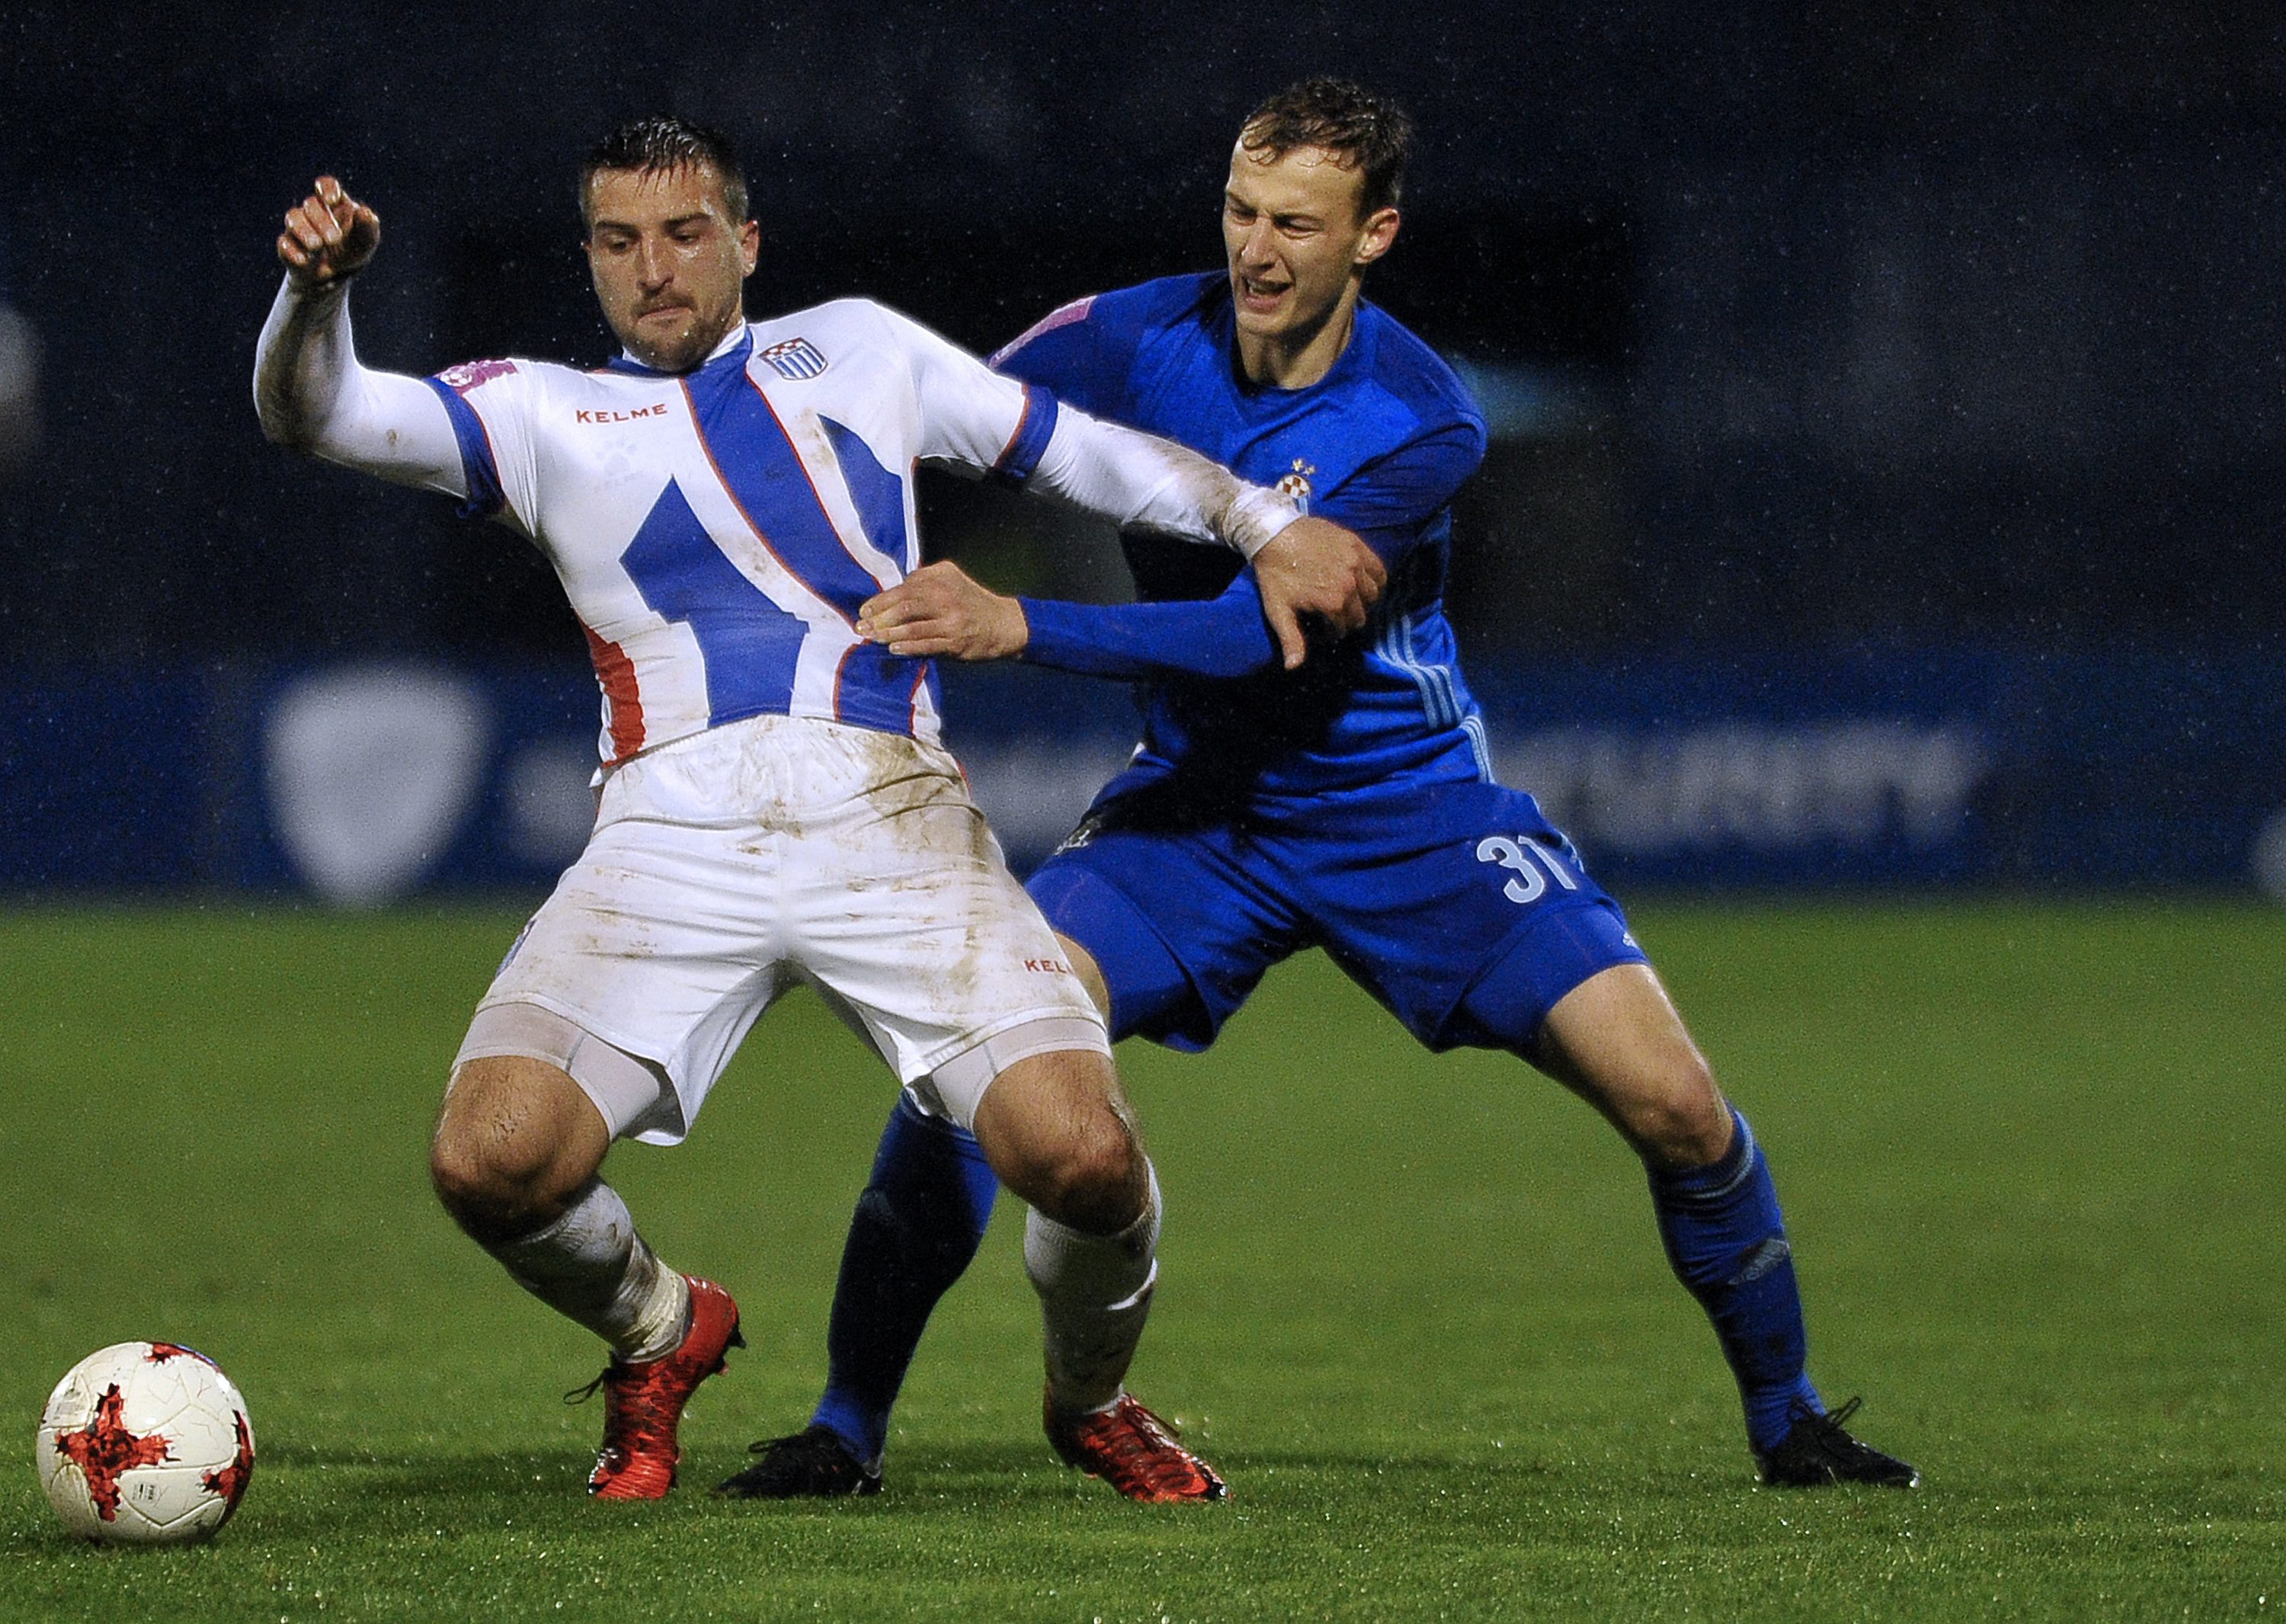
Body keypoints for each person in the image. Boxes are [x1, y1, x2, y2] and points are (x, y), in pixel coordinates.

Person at [727, 78, 1918, 1501]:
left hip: (1411, 814)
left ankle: (1790, 1423)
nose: (1258, 247)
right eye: (1240, 209)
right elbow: (941, 419)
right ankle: (844, 1431)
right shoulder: (1125, 336)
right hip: (1198, 822)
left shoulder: (1422, 419)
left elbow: (1261, 635)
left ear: (1377, 236)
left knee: (1677, 1108)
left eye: (1298, 220)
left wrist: (1018, 623)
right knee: (977, 1062)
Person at [254, 116, 1386, 1504]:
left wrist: (1262, 526)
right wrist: (317, 295)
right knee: (488, 1162)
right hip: (666, 834)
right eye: (619, 242)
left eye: (684, 235)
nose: (653, 269)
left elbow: (1076, 452)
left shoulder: (858, 348)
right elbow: (313, 413)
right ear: (591, 258)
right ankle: (661, 1329)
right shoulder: (535, 411)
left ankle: (1090, 1398)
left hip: (890, 815)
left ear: (747, 240)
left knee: (1085, 1160)